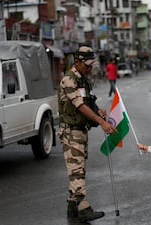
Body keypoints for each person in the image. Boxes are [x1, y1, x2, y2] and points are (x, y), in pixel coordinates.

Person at [57, 46, 117, 222]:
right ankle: (83, 208)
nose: (90, 68)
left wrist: (99, 113)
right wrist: (102, 123)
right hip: (70, 132)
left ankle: (71, 206)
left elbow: (88, 103)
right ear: (77, 62)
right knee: (77, 171)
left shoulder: (83, 80)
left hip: (81, 131)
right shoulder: (69, 79)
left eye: (92, 65)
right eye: (87, 65)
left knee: (79, 170)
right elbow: (80, 106)